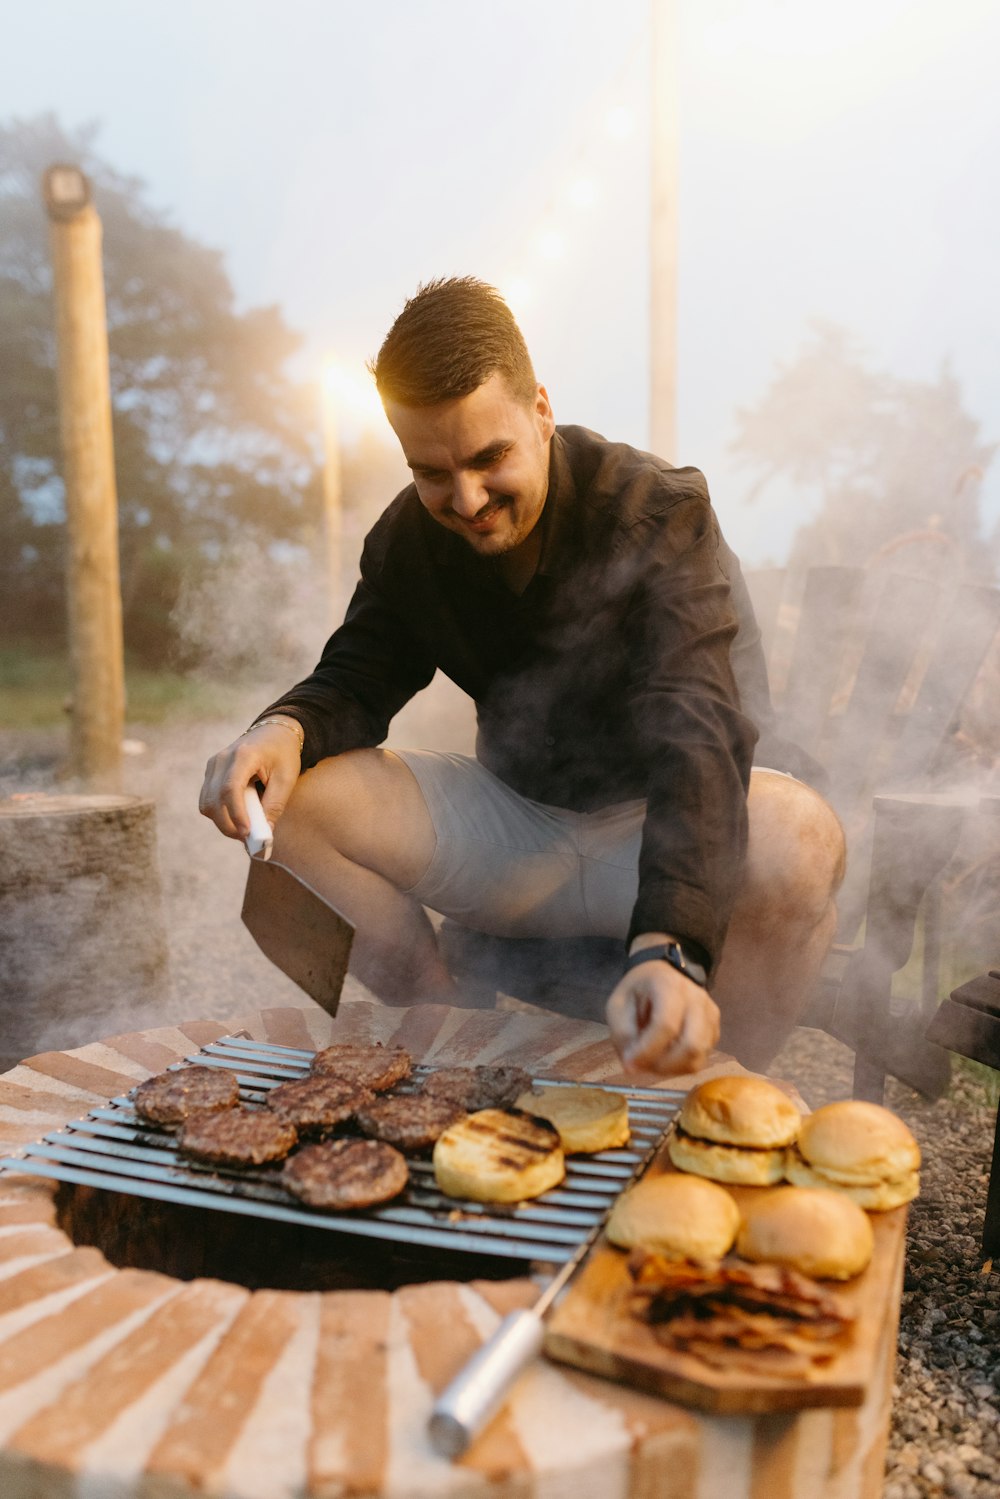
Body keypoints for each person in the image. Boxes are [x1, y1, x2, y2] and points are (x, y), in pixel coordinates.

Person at [200, 277, 845, 1077]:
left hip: (647, 829)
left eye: (488, 457)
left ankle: (709, 1102)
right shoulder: (409, 537)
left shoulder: (656, 511)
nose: (465, 499)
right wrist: (278, 730)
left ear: (540, 409)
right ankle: (446, 1044)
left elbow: (700, 726)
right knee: (290, 799)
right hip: (515, 831)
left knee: (803, 836)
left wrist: (667, 946)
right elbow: (357, 677)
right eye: (431, 471)